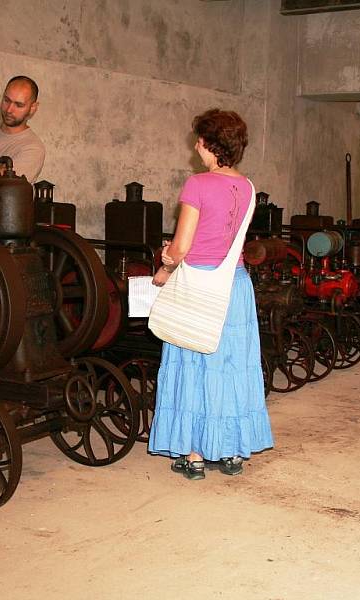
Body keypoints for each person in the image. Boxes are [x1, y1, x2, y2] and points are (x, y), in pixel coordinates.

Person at [148, 108, 274, 480]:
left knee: (193, 366)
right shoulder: (248, 187)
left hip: (199, 286)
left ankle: (195, 456)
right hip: (234, 286)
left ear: (209, 144)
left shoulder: (198, 184)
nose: (197, 146)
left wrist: (164, 267)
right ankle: (231, 451)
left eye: (200, 140)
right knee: (230, 367)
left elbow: (184, 246)